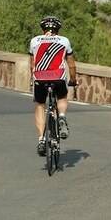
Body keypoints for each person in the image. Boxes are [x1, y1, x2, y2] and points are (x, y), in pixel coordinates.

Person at [30, 15, 78, 155]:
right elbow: (72, 65)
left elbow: (32, 64)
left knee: (40, 105)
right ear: (58, 29)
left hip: (40, 77)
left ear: (43, 29)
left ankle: (41, 140)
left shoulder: (34, 41)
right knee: (62, 97)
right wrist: (73, 80)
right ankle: (61, 116)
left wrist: (32, 79)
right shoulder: (64, 41)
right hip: (58, 77)